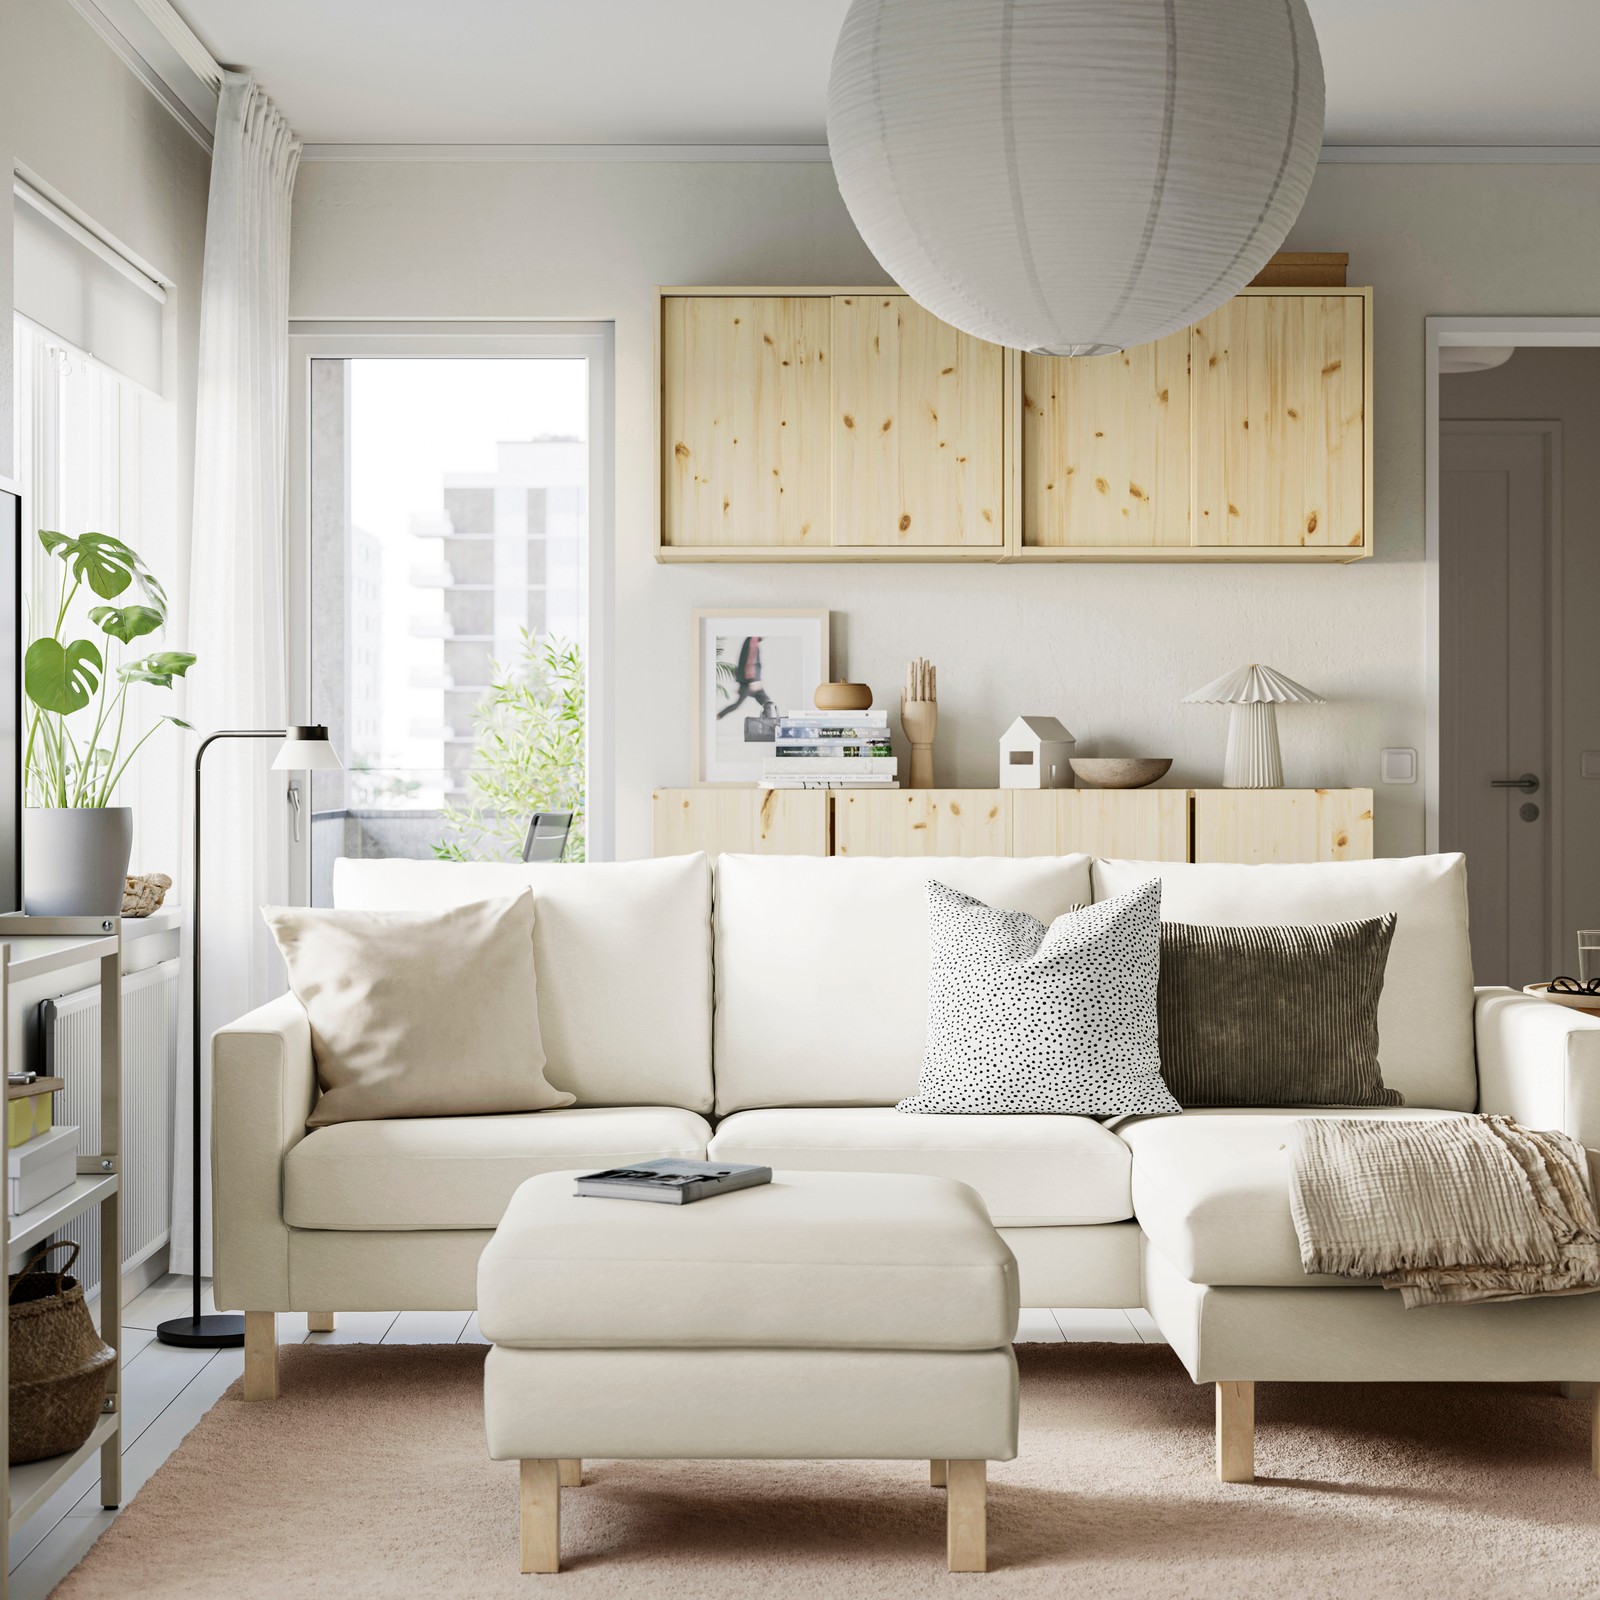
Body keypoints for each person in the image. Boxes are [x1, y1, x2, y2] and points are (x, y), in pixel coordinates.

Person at [716, 636, 776, 721]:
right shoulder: (753, 640)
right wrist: (754, 680)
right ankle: (717, 716)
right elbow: (751, 660)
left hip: (748, 681)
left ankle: (769, 726)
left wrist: (741, 682)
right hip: (751, 682)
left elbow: (743, 661)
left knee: (766, 703)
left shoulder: (750, 640)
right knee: (766, 704)